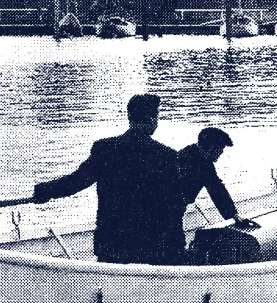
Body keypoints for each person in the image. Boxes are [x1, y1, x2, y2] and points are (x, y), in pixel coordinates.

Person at [32, 94, 185, 265]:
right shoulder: (167, 156)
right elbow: (175, 206)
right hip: (151, 247)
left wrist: (44, 190)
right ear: (151, 120)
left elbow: (76, 182)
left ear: (130, 117)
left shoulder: (104, 149)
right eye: (156, 117)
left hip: (111, 244)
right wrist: (178, 252)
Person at [177, 127, 258, 228]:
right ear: (212, 148)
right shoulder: (187, 161)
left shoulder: (201, 159)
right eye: (221, 148)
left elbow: (217, 190)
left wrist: (233, 216)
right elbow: (216, 190)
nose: (221, 153)